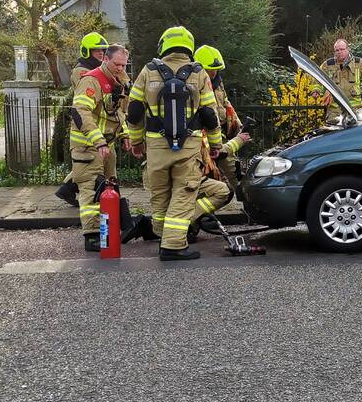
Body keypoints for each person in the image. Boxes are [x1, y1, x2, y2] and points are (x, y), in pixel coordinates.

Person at [125, 26, 222, 261]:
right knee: (184, 192)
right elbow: (211, 113)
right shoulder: (199, 73)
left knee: (159, 194)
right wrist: (216, 144)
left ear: (163, 44)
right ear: (188, 46)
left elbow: (134, 111)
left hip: (156, 147)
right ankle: (173, 245)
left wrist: (136, 141)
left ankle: (162, 234)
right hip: (188, 147)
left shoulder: (148, 71)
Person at [69, 44, 130, 252]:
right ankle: (93, 235)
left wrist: (125, 134)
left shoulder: (120, 81)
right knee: (90, 189)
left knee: (108, 188)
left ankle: (108, 229)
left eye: (124, 65)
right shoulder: (91, 80)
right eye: (117, 64)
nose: (121, 69)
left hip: (106, 145)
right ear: (105, 59)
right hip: (87, 146)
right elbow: (81, 112)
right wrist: (99, 141)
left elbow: (120, 112)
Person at [55, 32, 111, 206]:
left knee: (89, 166)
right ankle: (68, 191)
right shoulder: (82, 72)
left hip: (97, 126)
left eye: (102, 50)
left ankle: (66, 190)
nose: (100, 53)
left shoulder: (95, 69)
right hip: (86, 129)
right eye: (96, 51)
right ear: (87, 52)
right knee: (88, 167)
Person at [194, 45, 244, 197]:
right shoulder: (195, 85)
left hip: (219, 135)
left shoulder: (217, 83)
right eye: (210, 70)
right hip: (203, 139)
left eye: (216, 69)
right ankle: (204, 213)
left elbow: (226, 104)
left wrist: (237, 123)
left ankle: (246, 201)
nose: (213, 73)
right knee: (209, 176)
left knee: (235, 174)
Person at [313, 39, 362, 120]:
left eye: (342, 49)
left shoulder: (359, 63)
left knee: (355, 131)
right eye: (337, 50)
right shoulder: (328, 64)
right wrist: (316, 91)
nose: (339, 52)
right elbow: (317, 79)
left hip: (354, 108)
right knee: (334, 132)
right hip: (334, 109)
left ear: (347, 49)